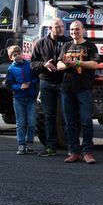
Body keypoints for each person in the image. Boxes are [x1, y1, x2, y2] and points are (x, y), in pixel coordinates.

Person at [57, 20, 100, 164]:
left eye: (77, 29)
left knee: (86, 121)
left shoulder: (90, 46)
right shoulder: (66, 45)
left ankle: (87, 152)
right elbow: (58, 65)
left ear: (83, 30)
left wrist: (78, 63)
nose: (74, 32)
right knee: (69, 122)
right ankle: (74, 151)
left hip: (84, 89)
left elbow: (94, 64)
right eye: (72, 29)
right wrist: (67, 64)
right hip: (67, 89)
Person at [31, 17, 69, 157]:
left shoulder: (68, 42)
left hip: (63, 82)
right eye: (57, 26)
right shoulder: (41, 43)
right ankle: (51, 147)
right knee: (49, 116)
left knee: (67, 116)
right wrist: (44, 65)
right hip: (46, 83)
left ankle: (71, 147)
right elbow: (33, 63)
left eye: (61, 26)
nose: (60, 29)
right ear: (50, 28)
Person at [5, 45, 39, 155]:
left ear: (22, 53)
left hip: (31, 98)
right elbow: (9, 84)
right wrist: (19, 87)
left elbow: (36, 78)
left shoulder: (29, 65)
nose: (17, 56)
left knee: (32, 122)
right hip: (18, 99)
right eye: (14, 55)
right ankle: (21, 144)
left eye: (18, 53)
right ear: (11, 58)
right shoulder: (11, 69)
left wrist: (30, 83)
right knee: (21, 122)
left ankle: (29, 143)